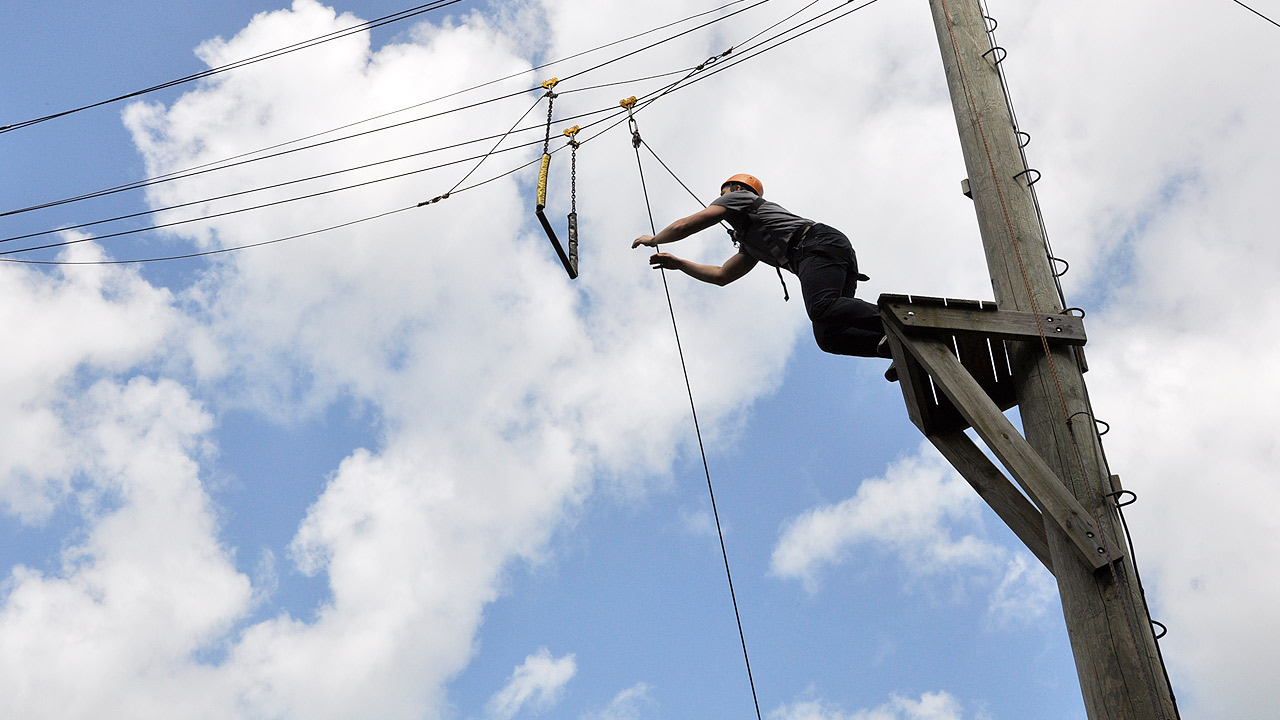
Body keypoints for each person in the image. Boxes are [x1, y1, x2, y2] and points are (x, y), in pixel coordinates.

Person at [632, 173, 889, 359]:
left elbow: (685, 226)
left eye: (723, 194)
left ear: (735, 189)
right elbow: (723, 275)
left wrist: (654, 239)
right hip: (823, 252)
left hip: (817, 244)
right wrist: (680, 264)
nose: (719, 201)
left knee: (822, 306)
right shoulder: (752, 240)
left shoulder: (740, 198)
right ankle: (894, 347)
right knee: (829, 337)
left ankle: (894, 321)